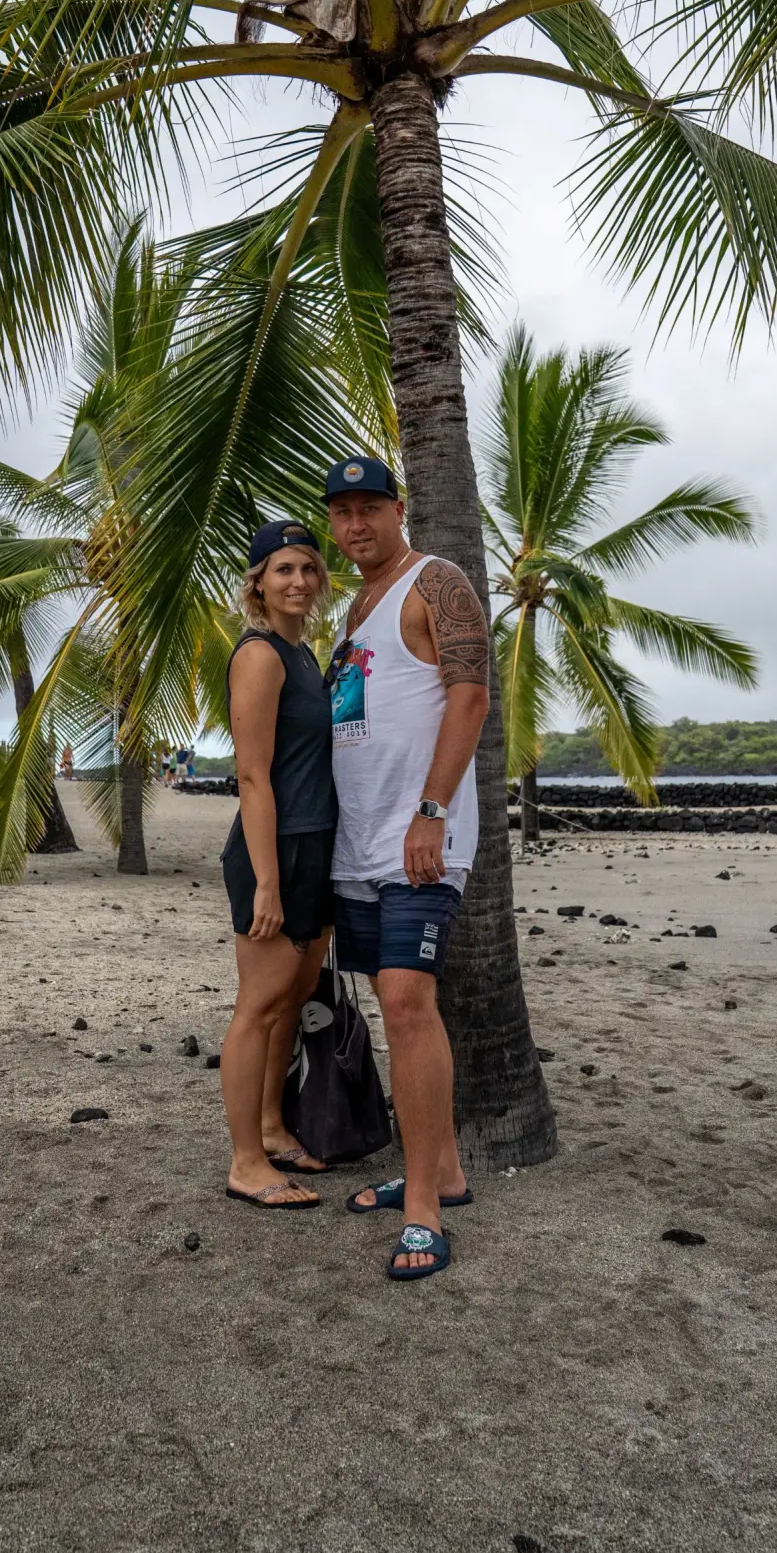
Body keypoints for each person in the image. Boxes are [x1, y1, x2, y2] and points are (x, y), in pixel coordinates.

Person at [323, 455, 490, 1281]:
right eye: (341, 512)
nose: (356, 525)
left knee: (405, 1002)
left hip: (417, 839)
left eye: (369, 508)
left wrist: (431, 810)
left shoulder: (435, 581)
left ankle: (423, 1209)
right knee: (397, 1010)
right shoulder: (350, 608)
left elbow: (470, 695)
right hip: (358, 847)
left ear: (398, 510)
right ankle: (442, 1171)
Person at [220, 520, 338, 1210]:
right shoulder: (260, 655)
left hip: (316, 843)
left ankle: (270, 1126)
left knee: (292, 1000)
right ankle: (245, 1163)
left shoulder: (304, 656)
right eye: (283, 569)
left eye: (308, 569)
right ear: (258, 582)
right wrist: (267, 881)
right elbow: (252, 775)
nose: (298, 581)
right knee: (259, 1007)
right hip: (277, 849)